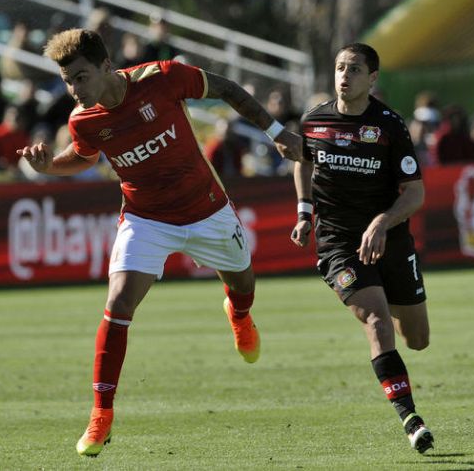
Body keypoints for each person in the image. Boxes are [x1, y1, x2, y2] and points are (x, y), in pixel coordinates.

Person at [17, 28, 302, 457]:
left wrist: (275, 129)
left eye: (81, 77)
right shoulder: (84, 120)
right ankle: (101, 414)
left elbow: (224, 88)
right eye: (67, 81)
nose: (74, 90)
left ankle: (239, 315)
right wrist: (48, 168)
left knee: (243, 283)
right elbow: (83, 157)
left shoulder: (162, 77)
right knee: (118, 304)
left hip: (206, 208)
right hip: (146, 219)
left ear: (106, 67)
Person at [290, 43, 434, 454]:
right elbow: (302, 159)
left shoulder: (389, 125)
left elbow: (415, 193)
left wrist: (383, 221)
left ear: (372, 78)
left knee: (418, 339)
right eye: (339, 67)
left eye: (354, 69)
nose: (344, 75)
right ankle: (410, 418)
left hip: (391, 238)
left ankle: (394, 325)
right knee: (376, 318)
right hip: (338, 243)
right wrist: (304, 212)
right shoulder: (314, 120)